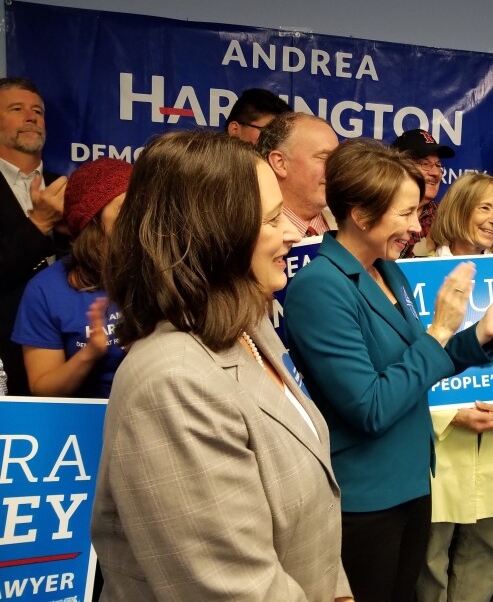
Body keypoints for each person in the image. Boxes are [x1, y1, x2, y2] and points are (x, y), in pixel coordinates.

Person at [91, 131, 351, 600]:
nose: (293, 233)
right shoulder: (174, 382)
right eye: (272, 219)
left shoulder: (250, 328)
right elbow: (234, 589)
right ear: (216, 236)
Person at [284, 139, 493, 602]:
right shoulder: (319, 288)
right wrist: (439, 331)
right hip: (364, 499)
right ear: (360, 215)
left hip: (414, 483)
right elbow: (370, 406)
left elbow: (418, 365)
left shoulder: (389, 271)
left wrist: (480, 333)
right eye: (404, 214)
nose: (417, 227)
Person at [415, 172, 493, 602]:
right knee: (430, 552)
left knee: (486, 549)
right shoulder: (416, 273)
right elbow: (406, 361)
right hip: (440, 438)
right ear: (459, 208)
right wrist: (448, 414)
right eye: (484, 207)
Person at [12, 157, 130, 398]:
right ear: (93, 221)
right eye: (125, 208)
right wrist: (90, 354)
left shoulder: (161, 272)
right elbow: (43, 389)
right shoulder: (45, 291)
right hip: (83, 421)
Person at [0, 77, 68, 395]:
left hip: (68, 355)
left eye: (38, 111)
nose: (32, 117)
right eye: (17, 109)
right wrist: (39, 225)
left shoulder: (66, 186)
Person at [257, 111, 340, 237]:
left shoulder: (351, 232)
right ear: (280, 163)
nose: (336, 169)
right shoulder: (248, 234)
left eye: (337, 160)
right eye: (324, 158)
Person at [391, 128, 455, 258]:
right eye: (425, 164)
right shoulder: (380, 211)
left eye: (438, 165)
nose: (436, 173)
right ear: (399, 167)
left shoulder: (444, 217)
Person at [224, 87, 291, 144]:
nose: (275, 144)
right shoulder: (214, 159)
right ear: (234, 130)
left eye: (280, 137)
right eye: (267, 133)